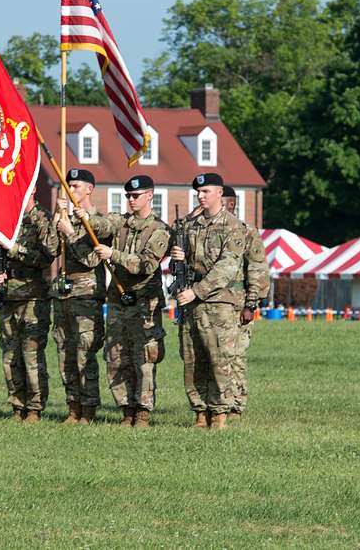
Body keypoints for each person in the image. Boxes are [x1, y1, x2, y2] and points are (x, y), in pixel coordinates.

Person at [79, 175, 170, 428]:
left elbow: (146, 264)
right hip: (118, 300)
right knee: (116, 356)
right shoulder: (121, 222)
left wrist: (113, 254)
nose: (131, 200)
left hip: (144, 302)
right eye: (128, 196)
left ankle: (142, 411)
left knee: (144, 357)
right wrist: (84, 214)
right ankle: (126, 409)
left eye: (136, 196)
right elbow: (102, 225)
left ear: (149, 196)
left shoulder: (159, 229)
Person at [170, 173, 247, 430]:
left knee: (219, 359)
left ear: (219, 194)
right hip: (191, 301)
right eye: (198, 192)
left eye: (205, 192)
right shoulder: (192, 226)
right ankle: (200, 412)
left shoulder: (233, 226)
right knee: (193, 358)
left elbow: (227, 266)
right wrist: (177, 258)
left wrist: (198, 291)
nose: (200, 196)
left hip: (218, 302)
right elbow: (180, 264)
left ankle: (220, 413)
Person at [0, 195, 57, 423]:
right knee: (10, 355)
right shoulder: (8, 219)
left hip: (33, 297)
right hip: (9, 295)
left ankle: (34, 408)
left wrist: (14, 248)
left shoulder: (42, 219)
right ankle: (17, 406)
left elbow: (46, 257)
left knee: (31, 355)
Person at [51, 169, 106, 425]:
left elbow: (92, 259)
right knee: (65, 352)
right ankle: (72, 406)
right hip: (63, 294)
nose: (69, 190)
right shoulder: (64, 218)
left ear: (89, 189)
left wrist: (72, 233)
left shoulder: (98, 222)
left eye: (74, 186)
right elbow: (50, 250)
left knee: (85, 353)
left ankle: (89, 408)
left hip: (86, 294)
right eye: (68, 186)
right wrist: (57, 218)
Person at [221, 186, 269, 418]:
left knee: (236, 355)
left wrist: (251, 304)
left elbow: (258, 271)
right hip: (216, 304)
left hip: (239, 303)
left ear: (231, 204)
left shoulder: (247, 232)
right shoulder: (211, 231)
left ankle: (235, 405)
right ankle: (218, 402)